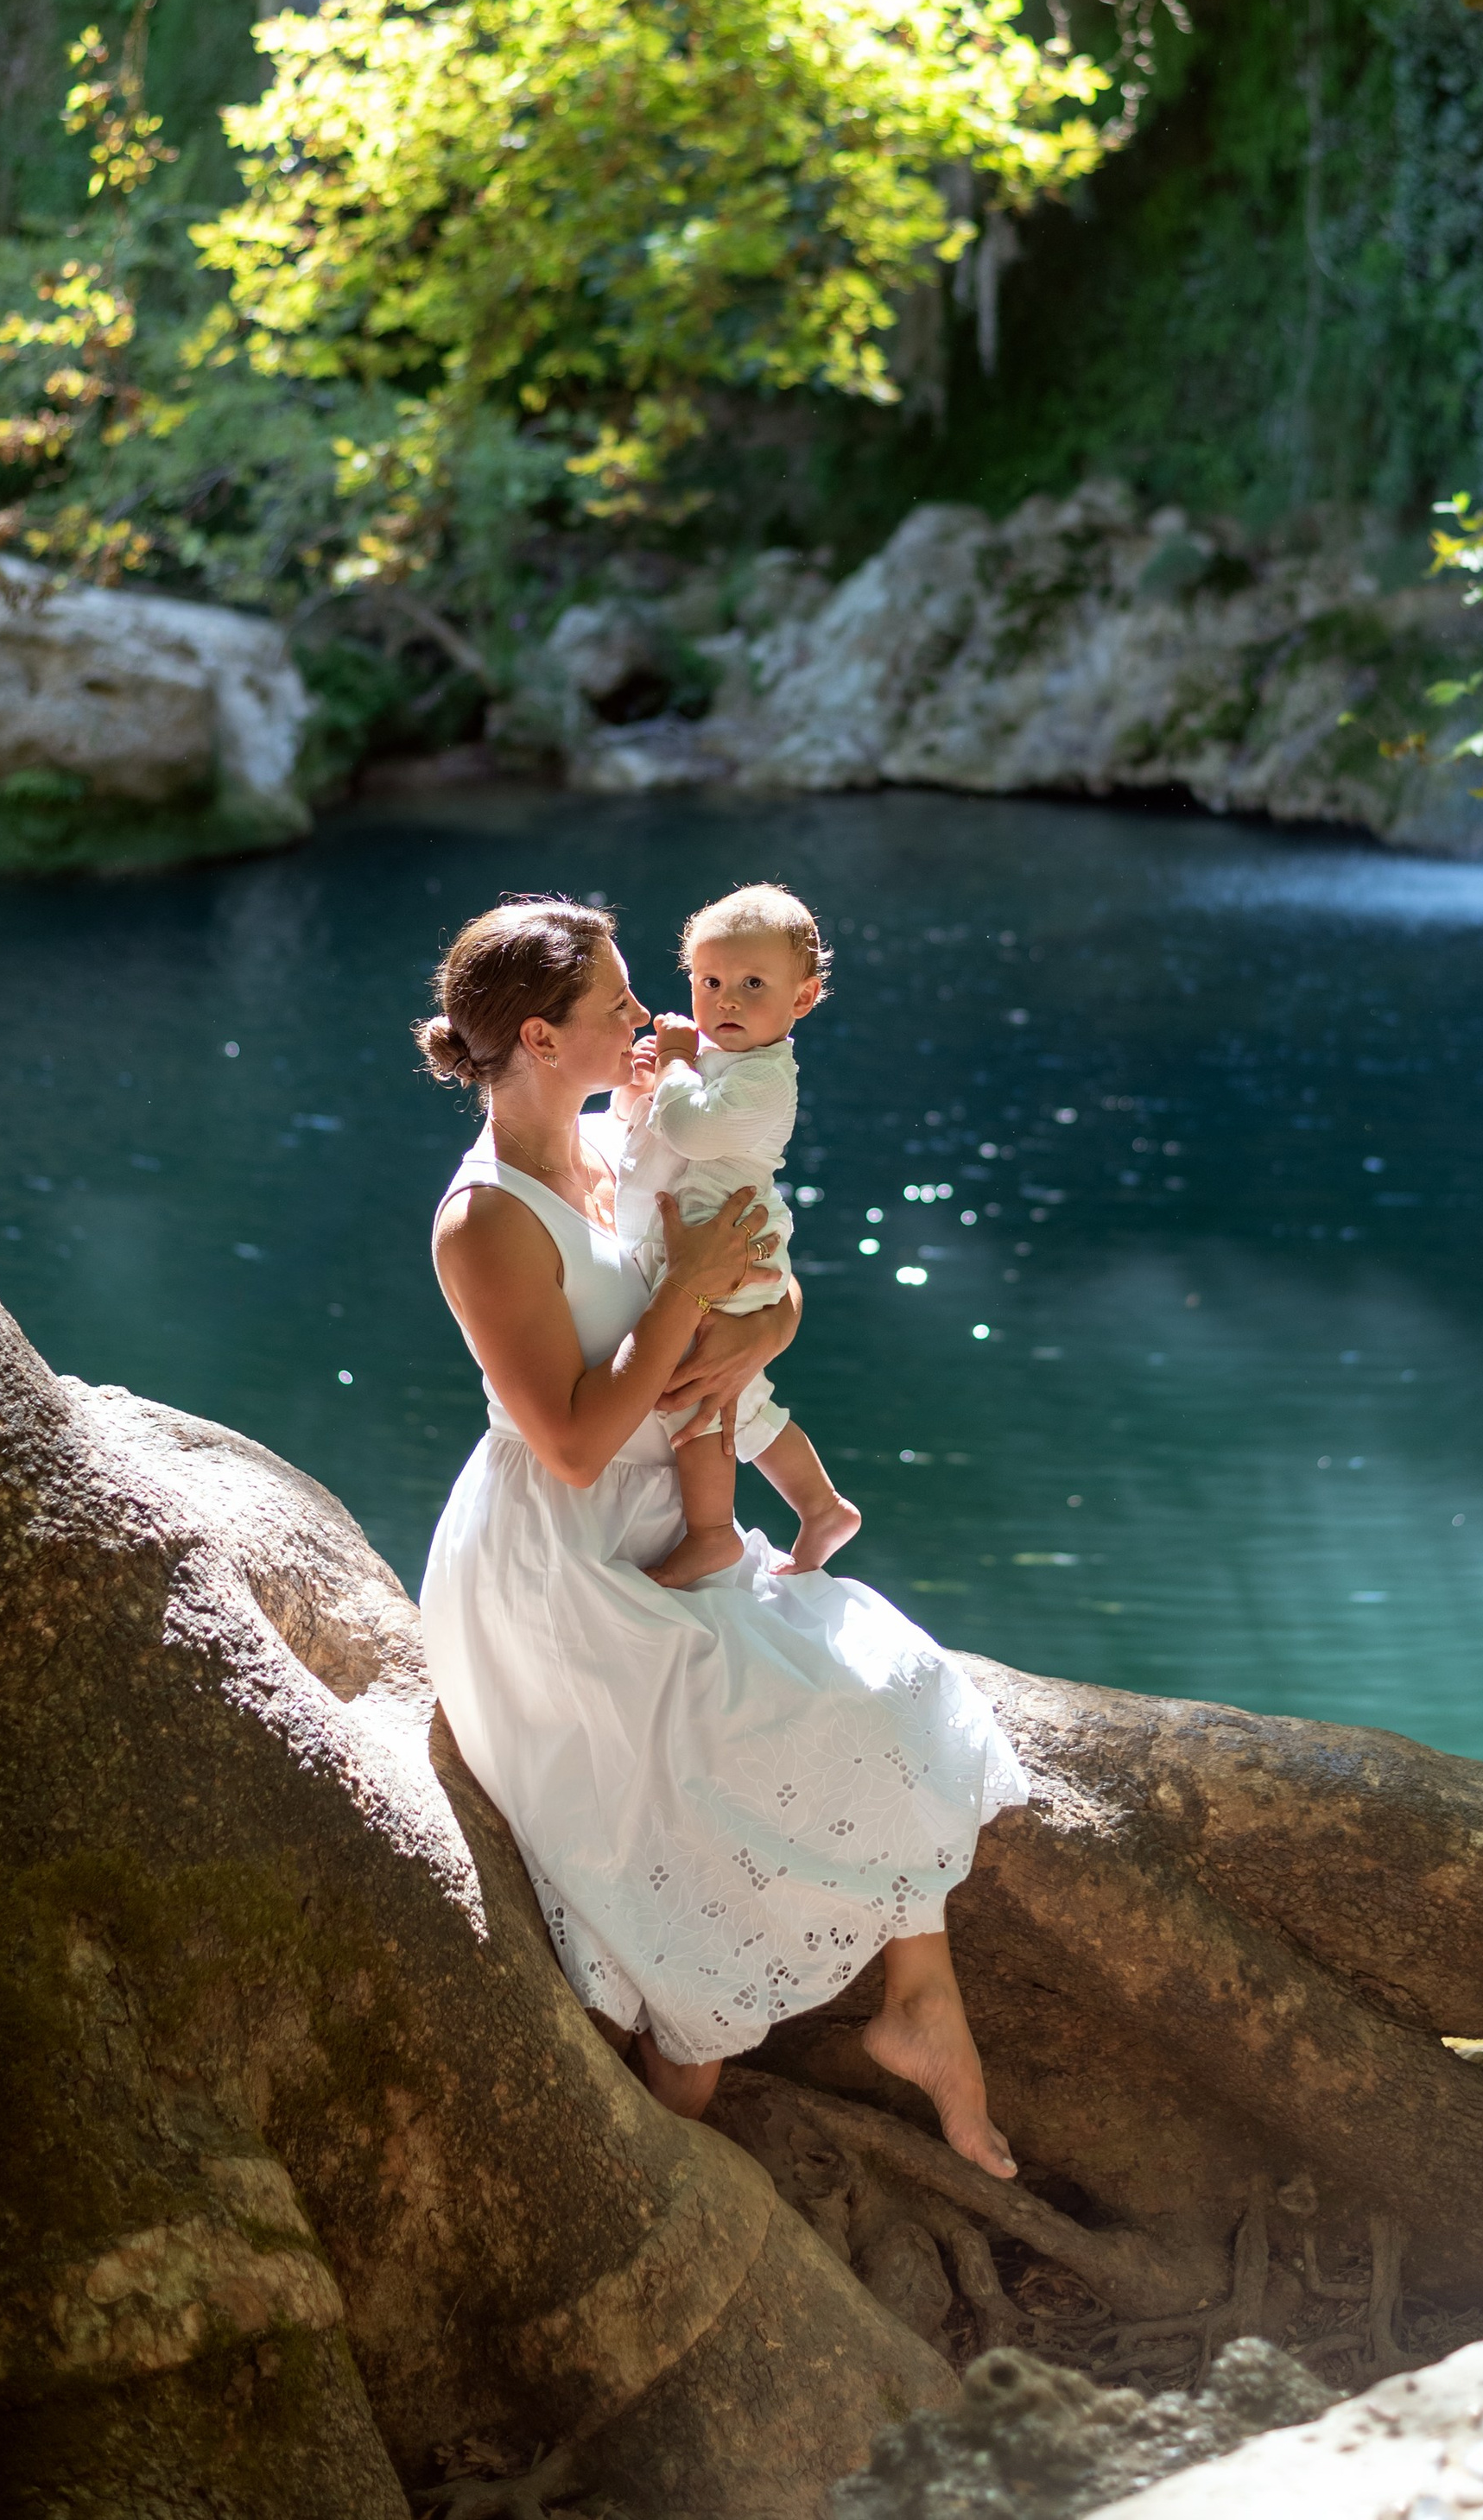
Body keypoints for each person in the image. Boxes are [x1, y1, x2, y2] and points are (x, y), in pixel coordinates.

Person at [414, 893, 1027, 2172]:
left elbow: (750, 1258)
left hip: (674, 1511)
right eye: (620, 1004)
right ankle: (647, 2160)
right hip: (565, 1555)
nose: (654, 1018)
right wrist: (693, 1290)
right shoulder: (484, 1221)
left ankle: (918, 2006)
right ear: (538, 1035)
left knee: (893, 1681)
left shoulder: (614, 1132)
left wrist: (767, 1319)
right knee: (712, 1834)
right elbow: (575, 1437)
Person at [610, 880, 860, 1590]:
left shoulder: (767, 1080)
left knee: (704, 1392)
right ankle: (821, 1506)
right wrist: (642, 1084)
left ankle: (714, 1533)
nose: (726, 999)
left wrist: (678, 1066)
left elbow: (688, 1127)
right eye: (711, 980)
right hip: (713, 1250)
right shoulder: (726, 1059)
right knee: (736, 1395)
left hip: (733, 1255)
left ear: (801, 1000)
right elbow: (654, 1128)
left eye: (754, 983)